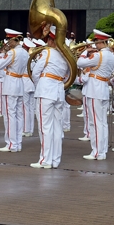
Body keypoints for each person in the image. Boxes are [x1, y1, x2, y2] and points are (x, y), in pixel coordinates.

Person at [30, 25, 70, 168]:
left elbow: (35, 72)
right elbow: (68, 76)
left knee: (44, 127)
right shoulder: (66, 55)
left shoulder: (47, 53)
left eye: (48, 39)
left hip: (46, 90)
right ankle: (55, 159)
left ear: (52, 40)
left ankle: (45, 160)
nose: (47, 42)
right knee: (57, 127)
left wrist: (39, 84)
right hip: (59, 90)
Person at [76, 29, 114, 159]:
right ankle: (102, 150)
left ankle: (97, 152)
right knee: (102, 122)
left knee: (95, 123)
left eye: (96, 42)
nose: (95, 45)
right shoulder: (111, 55)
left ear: (100, 42)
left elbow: (80, 63)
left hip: (94, 90)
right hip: (103, 88)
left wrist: (85, 52)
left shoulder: (98, 55)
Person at [0, 29, 27, 153]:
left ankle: (11, 143)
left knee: (9, 116)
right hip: (19, 83)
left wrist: (2, 55)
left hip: (10, 84)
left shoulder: (12, 53)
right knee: (18, 115)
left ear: (13, 40)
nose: (7, 42)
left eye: (9, 40)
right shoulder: (25, 52)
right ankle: (17, 143)